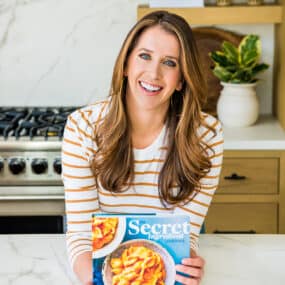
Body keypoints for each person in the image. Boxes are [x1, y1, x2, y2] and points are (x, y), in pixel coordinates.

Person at [62, 10, 223, 285]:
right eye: (144, 56)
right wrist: (102, 279)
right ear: (126, 64)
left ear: (182, 79)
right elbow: (81, 237)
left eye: (170, 63)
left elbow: (186, 238)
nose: (154, 73)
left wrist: (188, 267)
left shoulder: (206, 135)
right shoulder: (82, 128)